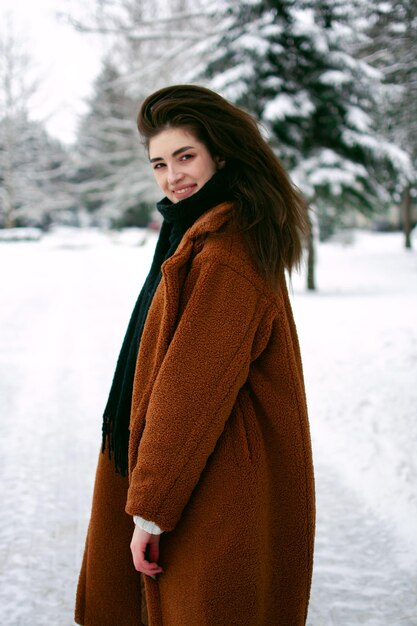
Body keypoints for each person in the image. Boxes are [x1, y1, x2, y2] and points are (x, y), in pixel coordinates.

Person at [75, 84, 315, 626]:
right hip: (203, 479)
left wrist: (152, 514)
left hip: (214, 491)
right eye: (159, 163)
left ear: (221, 154)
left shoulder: (226, 251)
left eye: (186, 156)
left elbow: (191, 393)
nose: (172, 176)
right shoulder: (196, 234)